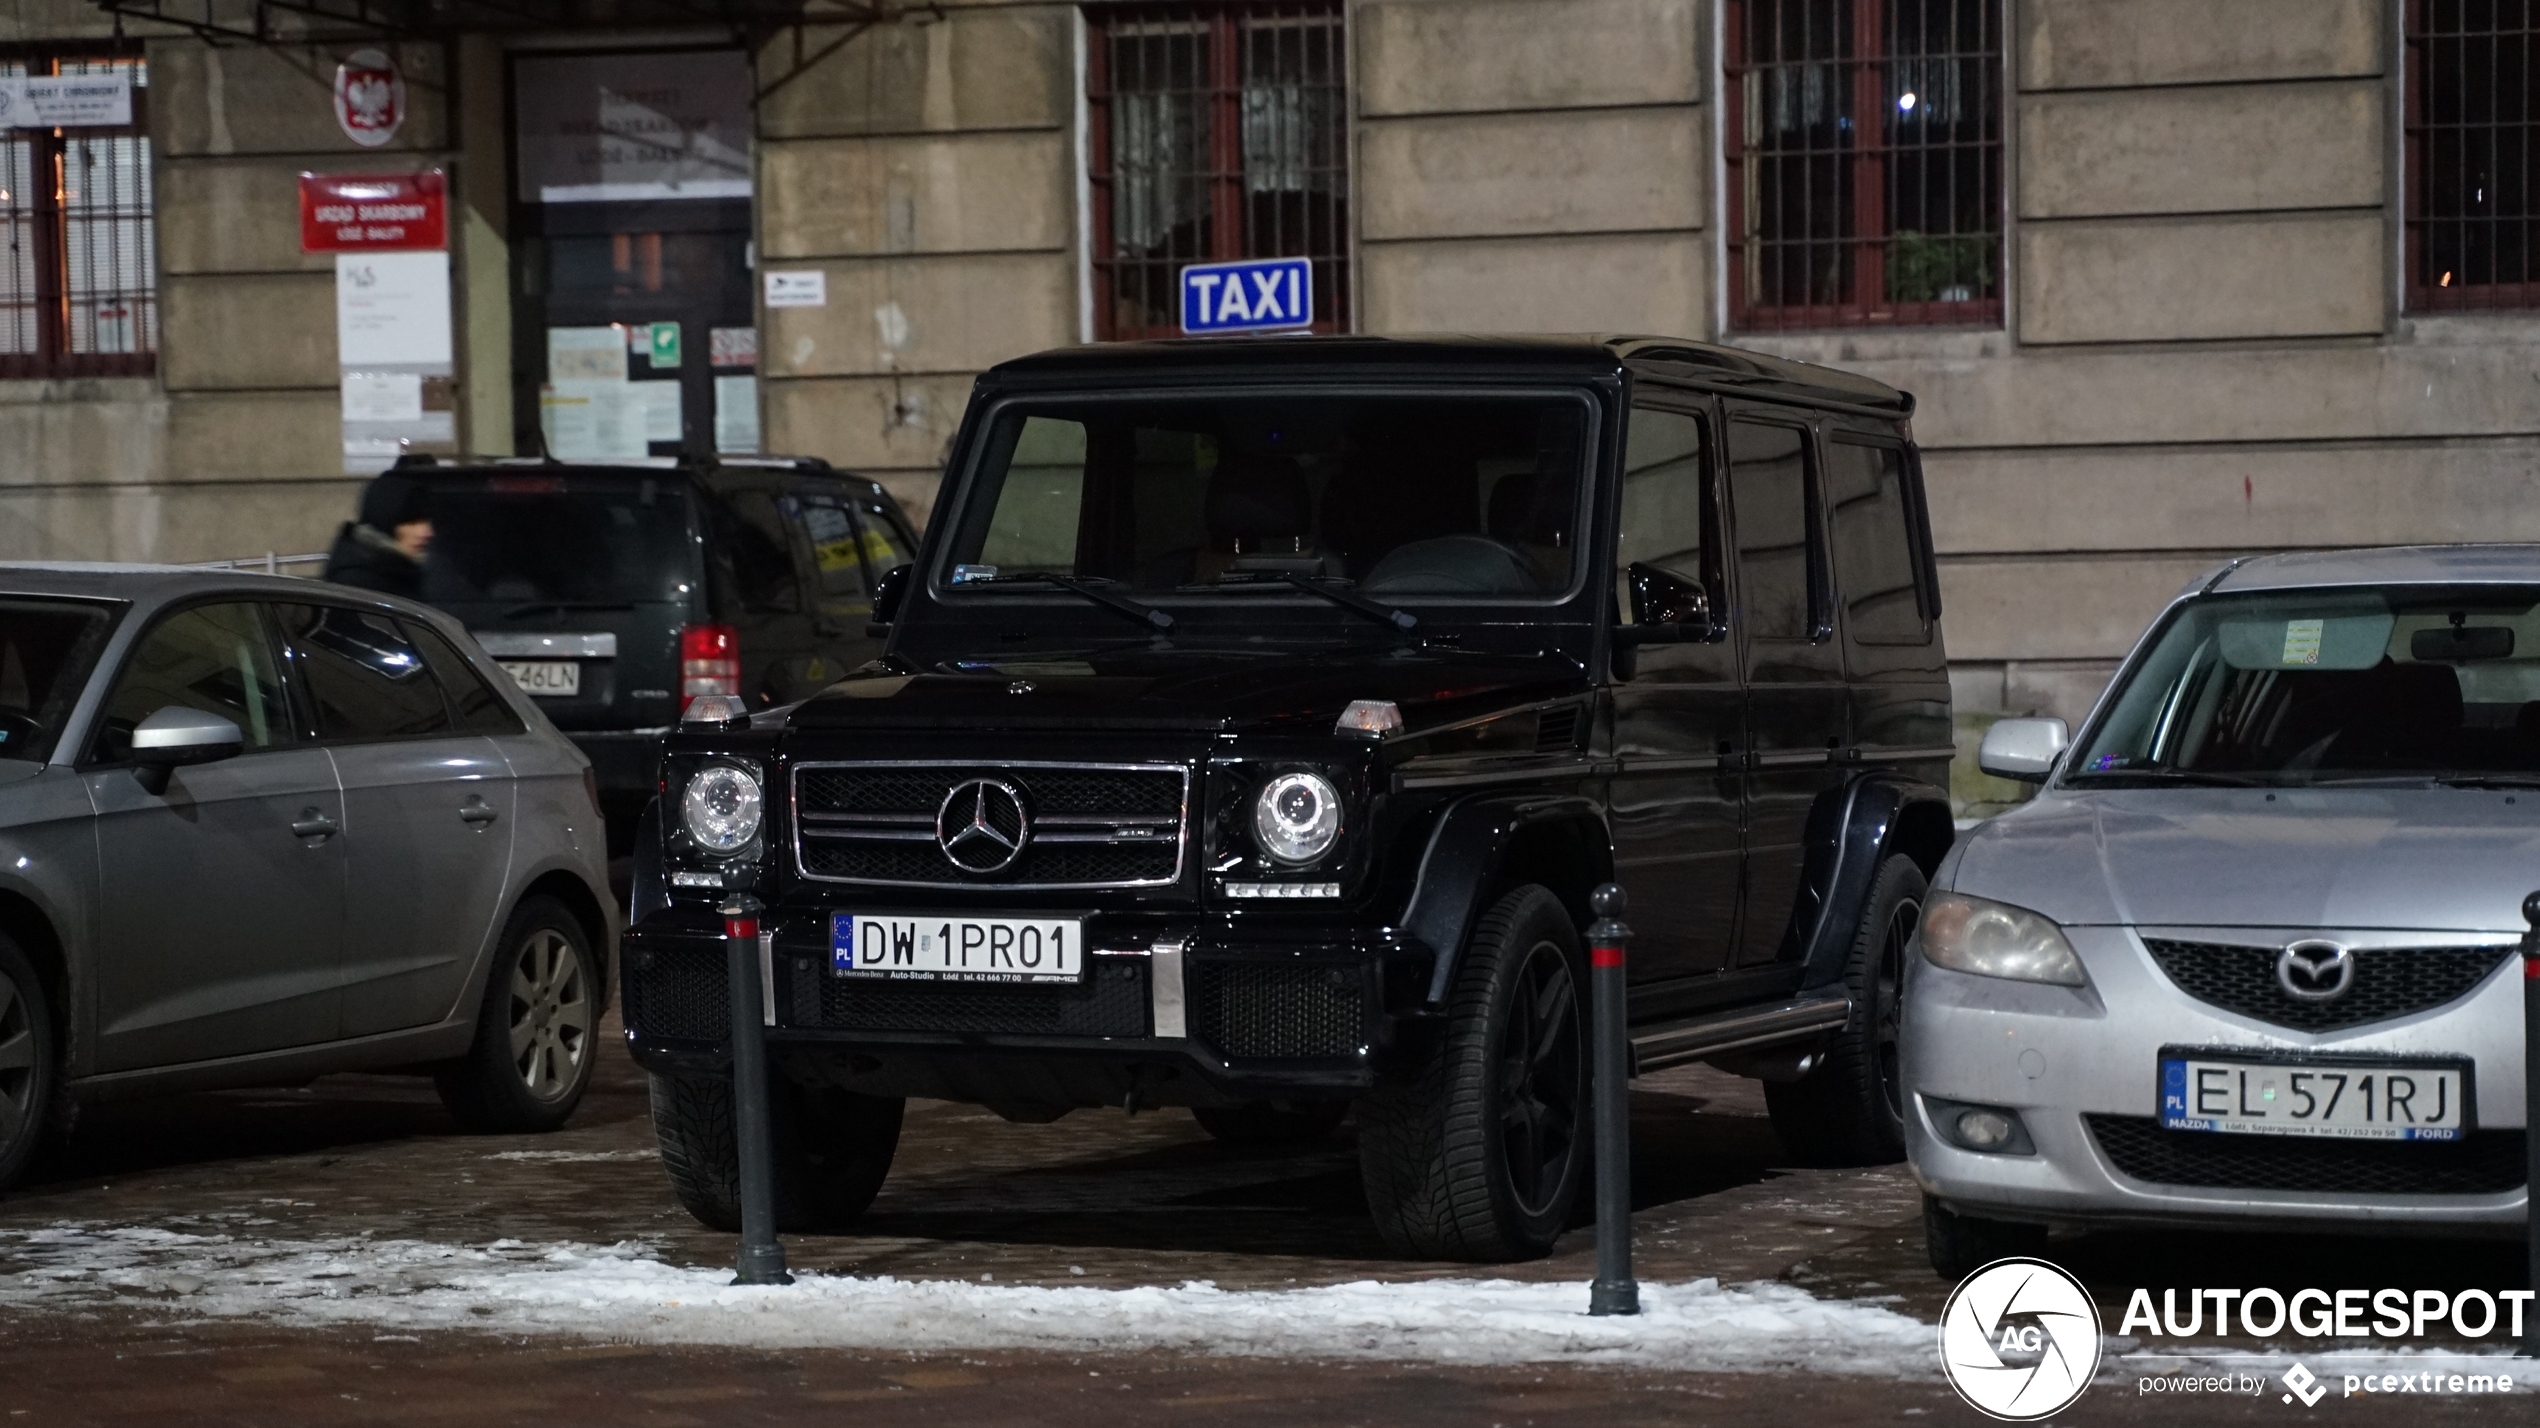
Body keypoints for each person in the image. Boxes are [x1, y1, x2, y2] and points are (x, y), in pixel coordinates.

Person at [323, 472, 433, 599]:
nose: (426, 532)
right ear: (384, 523)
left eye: (427, 522)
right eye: (412, 523)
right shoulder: (357, 584)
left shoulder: (400, 570)